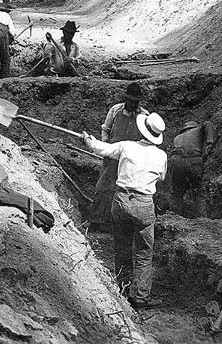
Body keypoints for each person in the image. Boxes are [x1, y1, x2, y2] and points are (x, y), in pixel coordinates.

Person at [83, 111, 168, 308]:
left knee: (121, 248)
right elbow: (162, 178)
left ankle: (122, 290)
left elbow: (102, 149)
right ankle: (140, 297)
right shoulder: (161, 155)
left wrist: (89, 140)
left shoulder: (127, 147)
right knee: (144, 253)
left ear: (142, 129)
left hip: (121, 200)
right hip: (144, 203)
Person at [89, 82, 149, 229]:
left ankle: (120, 224)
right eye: (131, 101)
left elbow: (147, 138)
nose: (133, 104)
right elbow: (106, 129)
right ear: (126, 98)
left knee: (125, 189)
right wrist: (105, 145)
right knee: (104, 186)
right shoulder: (115, 110)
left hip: (131, 159)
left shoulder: (144, 115)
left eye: (136, 102)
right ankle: (97, 220)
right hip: (113, 156)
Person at [169, 120, 215, 216]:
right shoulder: (197, 130)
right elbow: (208, 124)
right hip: (194, 161)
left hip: (176, 162)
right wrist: (209, 143)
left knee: (177, 193)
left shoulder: (177, 138)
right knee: (198, 191)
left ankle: (175, 218)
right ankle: (202, 220)